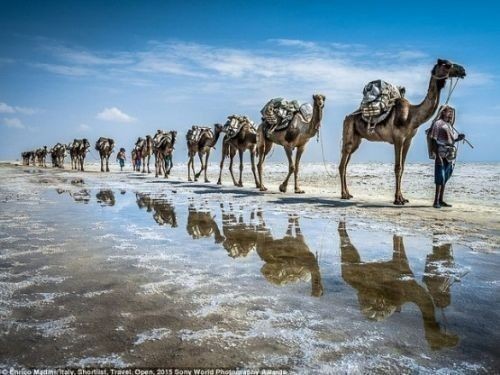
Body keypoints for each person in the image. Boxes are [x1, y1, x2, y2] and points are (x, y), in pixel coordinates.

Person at [429, 106, 465, 208]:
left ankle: (441, 200)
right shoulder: (438, 124)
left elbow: (451, 140)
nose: (451, 115)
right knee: (440, 177)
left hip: (450, 155)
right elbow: (433, 140)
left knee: (445, 178)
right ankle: (436, 201)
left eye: (452, 113)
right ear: (443, 112)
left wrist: (458, 138)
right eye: (449, 112)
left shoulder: (449, 125)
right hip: (441, 153)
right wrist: (438, 156)